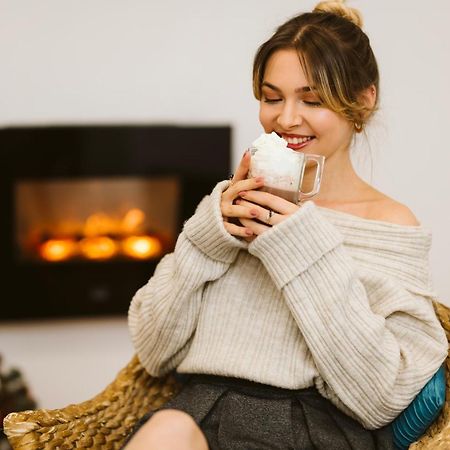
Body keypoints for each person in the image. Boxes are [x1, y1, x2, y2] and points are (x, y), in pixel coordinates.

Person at [124, 1, 448, 449]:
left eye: (311, 100)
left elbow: (381, 397)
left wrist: (298, 244)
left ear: (363, 99)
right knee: (167, 432)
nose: (286, 119)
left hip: (311, 428)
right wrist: (207, 239)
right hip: (200, 414)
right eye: (271, 97)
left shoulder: (389, 224)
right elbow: (154, 352)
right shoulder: (234, 204)